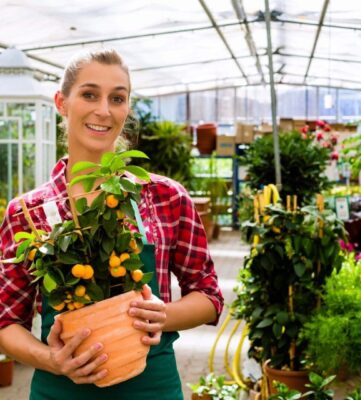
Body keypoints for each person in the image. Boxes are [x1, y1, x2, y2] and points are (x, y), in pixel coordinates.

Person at [0, 49, 224, 400]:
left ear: (127, 108)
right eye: (90, 94)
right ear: (62, 102)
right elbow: (6, 320)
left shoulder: (165, 198)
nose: (104, 110)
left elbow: (208, 293)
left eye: (117, 98)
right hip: (61, 390)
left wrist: (163, 315)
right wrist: (52, 359)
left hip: (152, 388)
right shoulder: (28, 213)